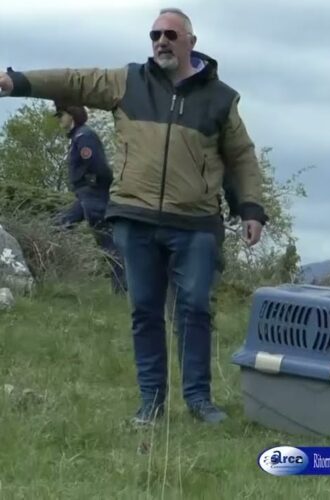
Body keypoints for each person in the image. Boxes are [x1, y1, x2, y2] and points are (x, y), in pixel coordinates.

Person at [0, 7, 269, 426]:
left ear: (190, 43)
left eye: (170, 35)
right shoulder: (128, 82)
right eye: (155, 34)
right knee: (144, 312)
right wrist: (17, 82)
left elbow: (242, 158)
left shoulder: (221, 98)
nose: (161, 40)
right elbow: (74, 79)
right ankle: (152, 404)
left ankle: (199, 401)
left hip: (195, 224)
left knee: (195, 310)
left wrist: (251, 208)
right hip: (136, 218)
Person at [52, 101, 127, 294]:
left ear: (72, 115)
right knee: (57, 226)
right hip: (85, 195)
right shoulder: (78, 137)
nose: (59, 119)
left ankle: (122, 290)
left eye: (61, 115)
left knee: (109, 245)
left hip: (93, 195)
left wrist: (97, 187)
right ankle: (50, 275)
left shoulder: (84, 136)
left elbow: (99, 167)